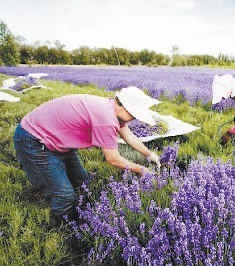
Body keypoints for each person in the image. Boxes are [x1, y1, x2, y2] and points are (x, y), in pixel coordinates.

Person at [13, 87, 161, 221]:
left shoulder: (111, 107)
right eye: (134, 115)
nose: (135, 119)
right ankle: (58, 227)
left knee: (82, 181)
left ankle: (79, 210)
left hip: (55, 139)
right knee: (64, 196)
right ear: (123, 106)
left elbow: (129, 136)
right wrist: (141, 169)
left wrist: (149, 154)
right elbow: (113, 159)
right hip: (34, 140)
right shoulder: (106, 119)